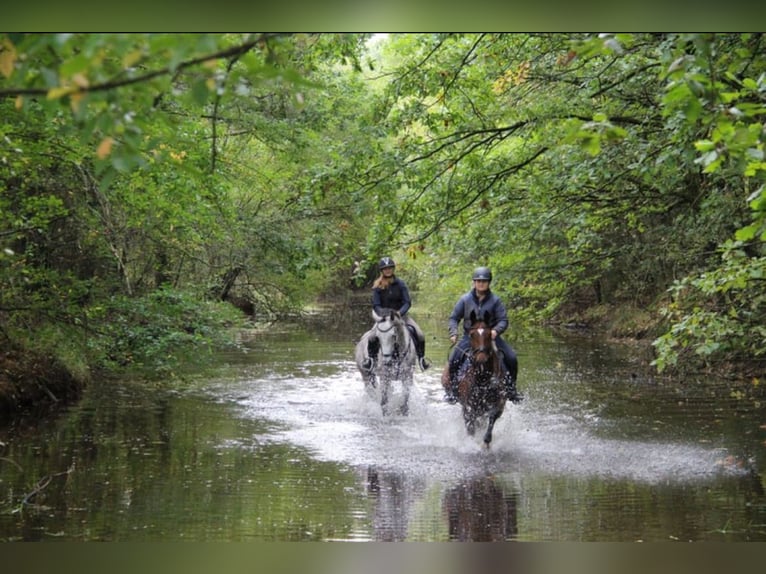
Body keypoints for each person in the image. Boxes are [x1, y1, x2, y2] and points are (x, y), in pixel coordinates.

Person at [444, 266, 523, 404]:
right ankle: (453, 392)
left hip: (491, 338)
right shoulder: (465, 300)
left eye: (484, 281)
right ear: (474, 282)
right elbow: (454, 318)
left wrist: (495, 331)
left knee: (511, 357)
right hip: (469, 338)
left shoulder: (496, 301)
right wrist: (453, 332)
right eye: (478, 281)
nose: (481, 284)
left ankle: (512, 390)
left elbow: (503, 320)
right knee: (454, 359)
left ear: (488, 283)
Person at [362, 256, 431, 371]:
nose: (388, 270)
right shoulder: (377, 286)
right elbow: (376, 305)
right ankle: (371, 360)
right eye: (385, 269)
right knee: (372, 336)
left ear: (393, 269)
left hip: (401, 317)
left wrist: (400, 313)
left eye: (389, 268)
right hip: (383, 319)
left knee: (419, 334)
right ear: (382, 271)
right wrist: (383, 315)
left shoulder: (400, 284)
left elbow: (407, 302)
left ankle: (421, 360)